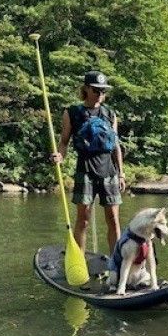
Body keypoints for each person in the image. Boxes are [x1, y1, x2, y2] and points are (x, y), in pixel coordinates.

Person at [51, 71, 125, 254]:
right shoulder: (72, 112)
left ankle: (116, 262)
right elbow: (64, 142)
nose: (100, 94)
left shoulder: (110, 114)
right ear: (86, 89)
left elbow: (115, 145)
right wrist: (60, 156)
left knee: (113, 219)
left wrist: (121, 173)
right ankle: (79, 261)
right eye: (96, 90)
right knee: (83, 219)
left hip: (109, 171)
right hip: (85, 170)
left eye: (103, 91)